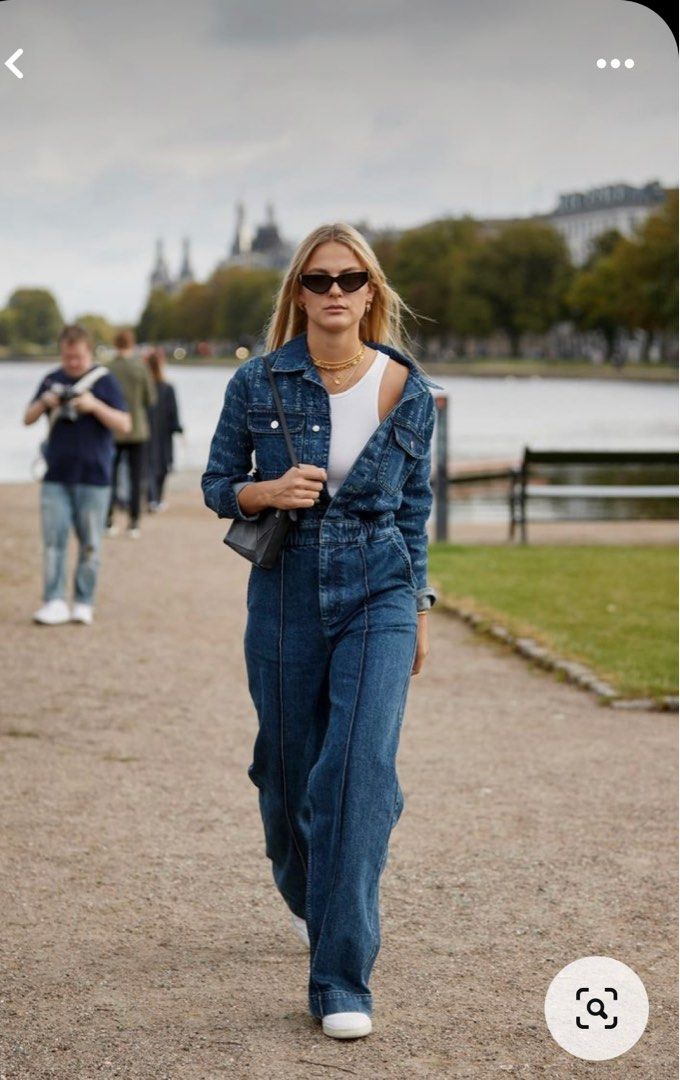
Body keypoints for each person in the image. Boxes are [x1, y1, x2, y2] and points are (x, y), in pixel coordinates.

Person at [200, 222, 442, 1040]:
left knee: (357, 770)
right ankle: (322, 889)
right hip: (285, 588)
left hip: (378, 586)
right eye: (318, 280)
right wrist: (264, 492)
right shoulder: (256, 380)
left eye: (350, 279)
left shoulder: (408, 389)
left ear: (372, 291)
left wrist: (416, 609)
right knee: (288, 774)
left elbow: (414, 512)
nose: (334, 293)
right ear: (297, 292)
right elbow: (215, 485)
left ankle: (341, 976)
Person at [23, 324, 131, 625]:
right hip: (56, 475)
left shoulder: (105, 381)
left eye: (78, 358)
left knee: (90, 543)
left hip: (94, 476)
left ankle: (84, 602)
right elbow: (27, 419)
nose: (72, 364)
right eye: (68, 357)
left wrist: (93, 404)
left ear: (89, 353)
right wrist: (46, 401)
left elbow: (125, 424)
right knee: (53, 543)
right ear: (61, 352)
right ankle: (54, 601)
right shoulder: (50, 380)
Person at [105, 328, 157, 537]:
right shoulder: (140, 367)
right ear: (132, 343)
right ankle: (134, 522)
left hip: (113, 429)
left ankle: (108, 520)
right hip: (137, 429)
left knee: (111, 476)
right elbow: (150, 398)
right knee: (137, 478)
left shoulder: (108, 368)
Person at [143, 347, 184, 511]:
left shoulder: (146, 388)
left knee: (149, 465)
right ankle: (157, 499)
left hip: (147, 431)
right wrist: (179, 429)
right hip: (164, 433)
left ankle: (151, 498)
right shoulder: (167, 388)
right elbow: (173, 413)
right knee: (162, 466)